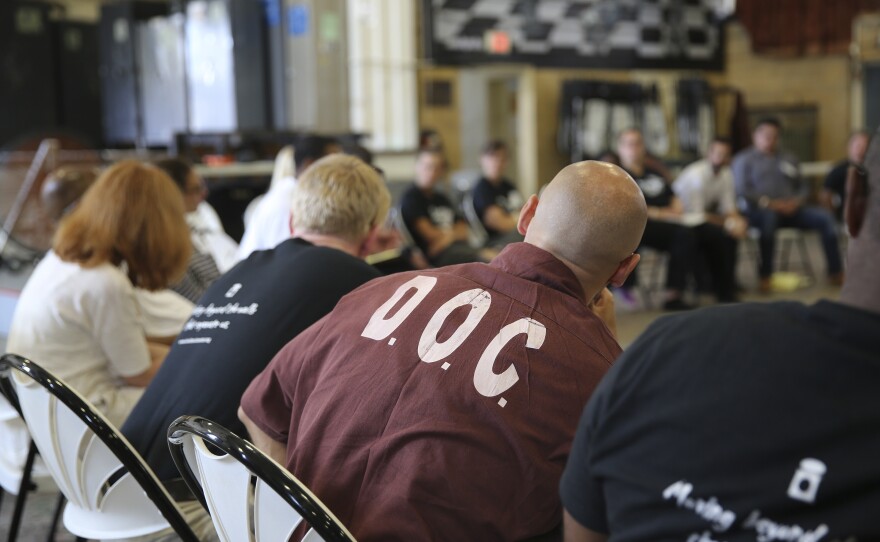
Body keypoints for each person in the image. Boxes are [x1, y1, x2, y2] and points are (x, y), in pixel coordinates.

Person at [238, 160, 648, 541]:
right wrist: (608, 356)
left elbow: (256, 411)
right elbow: (616, 513)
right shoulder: (600, 375)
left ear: (526, 215)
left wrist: (295, 524)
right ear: (623, 269)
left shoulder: (379, 290)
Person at [560, 129, 880, 541]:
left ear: (852, 201)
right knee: (695, 235)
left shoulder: (663, 352)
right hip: (658, 228)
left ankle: (721, 288)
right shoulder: (654, 177)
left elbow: (583, 524)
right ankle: (682, 289)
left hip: (681, 239)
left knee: (716, 235)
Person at [122, 154, 389, 483]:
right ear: (372, 233)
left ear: (292, 220)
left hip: (120, 471)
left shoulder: (243, 269)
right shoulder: (360, 285)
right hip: (194, 490)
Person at [8, 160, 190, 424]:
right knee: (203, 395)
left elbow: (130, 350)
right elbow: (138, 374)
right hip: (80, 419)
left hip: (46, 411)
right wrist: (197, 360)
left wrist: (181, 355)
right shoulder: (104, 282)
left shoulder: (62, 260)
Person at [732, 117, 843, 293]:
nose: (770, 139)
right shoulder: (744, 159)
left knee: (825, 218)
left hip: (791, 210)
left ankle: (835, 272)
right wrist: (769, 203)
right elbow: (742, 190)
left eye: (774, 136)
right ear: (755, 136)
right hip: (759, 211)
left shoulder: (789, 158)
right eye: (766, 135)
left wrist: (796, 201)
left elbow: (803, 186)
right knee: (769, 219)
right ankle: (765, 276)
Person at [617, 128, 696, 310]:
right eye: (629, 144)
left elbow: (673, 196)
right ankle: (667, 292)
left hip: (667, 224)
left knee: (696, 234)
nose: (634, 148)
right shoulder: (619, 175)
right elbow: (629, 207)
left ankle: (686, 289)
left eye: (638, 143)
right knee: (684, 235)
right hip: (636, 227)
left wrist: (675, 209)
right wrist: (661, 213)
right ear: (620, 148)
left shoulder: (655, 172)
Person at [237, 135, 340, 259]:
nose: (341, 173)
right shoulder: (286, 204)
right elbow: (285, 259)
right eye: (335, 165)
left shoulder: (300, 196)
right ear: (310, 165)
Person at [674, 137, 748, 302]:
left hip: (705, 219)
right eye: (718, 153)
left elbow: (729, 207)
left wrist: (738, 222)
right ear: (709, 153)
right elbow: (698, 214)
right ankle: (717, 287)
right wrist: (728, 223)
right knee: (720, 234)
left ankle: (727, 285)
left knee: (731, 235)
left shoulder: (726, 174)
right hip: (686, 220)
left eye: (725, 154)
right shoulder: (696, 175)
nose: (721, 158)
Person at [400, 148, 488, 266]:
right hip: (437, 258)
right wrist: (453, 234)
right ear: (417, 167)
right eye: (428, 166)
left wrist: (447, 238)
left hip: (457, 248)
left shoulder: (442, 198)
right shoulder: (412, 198)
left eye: (437, 168)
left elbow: (464, 230)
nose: (432, 172)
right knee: (486, 258)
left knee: (491, 255)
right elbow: (430, 235)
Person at [154, 158, 223, 303]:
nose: (204, 193)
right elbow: (199, 300)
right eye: (196, 189)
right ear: (174, 193)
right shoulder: (166, 243)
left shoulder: (182, 230)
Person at [471, 140, 525, 247]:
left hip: (515, 232)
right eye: (493, 156)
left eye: (503, 158)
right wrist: (519, 219)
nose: (498, 162)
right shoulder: (482, 188)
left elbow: (524, 212)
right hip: (496, 241)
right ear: (482, 159)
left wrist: (517, 219)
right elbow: (500, 224)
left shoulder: (509, 186)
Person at [822, 130, 870, 222]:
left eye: (865, 147)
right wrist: (833, 217)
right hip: (845, 218)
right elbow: (825, 194)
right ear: (849, 147)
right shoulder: (839, 170)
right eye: (858, 146)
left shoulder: (873, 170)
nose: (861, 151)